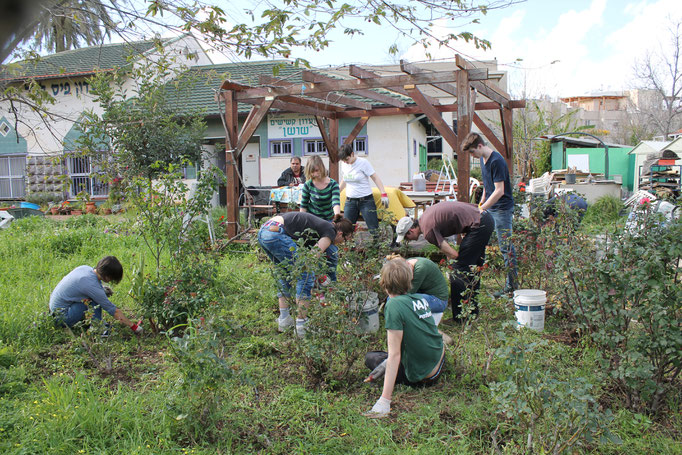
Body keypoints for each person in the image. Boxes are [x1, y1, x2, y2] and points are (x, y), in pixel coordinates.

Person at [363, 258, 445, 419]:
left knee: (371, 358)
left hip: (425, 375)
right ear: (410, 280)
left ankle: (385, 399)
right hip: (439, 359)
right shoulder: (422, 299)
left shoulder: (393, 305)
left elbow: (394, 355)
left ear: (384, 284)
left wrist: (384, 401)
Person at [258, 211, 354, 336]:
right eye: (346, 240)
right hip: (276, 233)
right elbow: (311, 258)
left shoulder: (321, 227)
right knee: (306, 273)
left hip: (265, 231)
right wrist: (321, 278)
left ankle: (284, 320)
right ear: (340, 234)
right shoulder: (331, 231)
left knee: (284, 273)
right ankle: (302, 326)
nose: (343, 243)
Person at [395, 200, 494, 319]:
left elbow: (453, 255)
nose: (408, 241)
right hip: (483, 218)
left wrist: (450, 266)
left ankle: (460, 317)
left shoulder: (428, 231)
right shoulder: (425, 218)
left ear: (411, 230)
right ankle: (472, 311)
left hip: (479, 225)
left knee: (459, 271)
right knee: (473, 268)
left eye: (407, 237)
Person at [461, 132, 517, 297]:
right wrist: (481, 204)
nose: (472, 156)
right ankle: (473, 280)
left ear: (479, 145)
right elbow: (488, 186)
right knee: (478, 241)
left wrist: (483, 207)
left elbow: (499, 191)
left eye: (472, 152)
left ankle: (512, 287)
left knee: (506, 248)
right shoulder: (482, 159)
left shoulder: (497, 161)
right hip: (490, 207)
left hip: (502, 210)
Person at [49, 256, 143, 334]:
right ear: (108, 276)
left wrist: (102, 290)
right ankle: (100, 329)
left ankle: (94, 324)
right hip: (62, 317)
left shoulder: (85, 268)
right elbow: (114, 311)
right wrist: (133, 326)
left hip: (55, 310)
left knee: (94, 298)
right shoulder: (92, 286)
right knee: (94, 301)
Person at [300, 155, 342, 281]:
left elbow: (335, 201)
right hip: (312, 223)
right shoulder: (308, 185)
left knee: (332, 253)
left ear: (322, 169)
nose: (315, 174)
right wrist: (302, 223)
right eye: (312, 171)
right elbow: (303, 206)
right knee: (315, 254)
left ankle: (332, 281)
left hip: (328, 222)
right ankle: (317, 283)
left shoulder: (332, 184)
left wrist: (337, 216)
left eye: (317, 170)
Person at [338, 144, 389, 234]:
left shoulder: (363, 163)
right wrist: (337, 192)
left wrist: (383, 193)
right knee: (347, 229)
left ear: (352, 154)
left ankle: (376, 246)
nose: (345, 162)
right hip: (350, 201)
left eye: (347, 159)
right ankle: (349, 247)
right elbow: (344, 179)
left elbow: (375, 177)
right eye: (343, 160)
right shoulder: (344, 164)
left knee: (373, 228)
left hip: (365, 200)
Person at [385, 254, 449, 325]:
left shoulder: (420, 269)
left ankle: (396, 323)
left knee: (398, 299)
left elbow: (407, 294)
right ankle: (395, 321)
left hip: (438, 300)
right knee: (393, 297)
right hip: (424, 294)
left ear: (407, 263)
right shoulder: (407, 263)